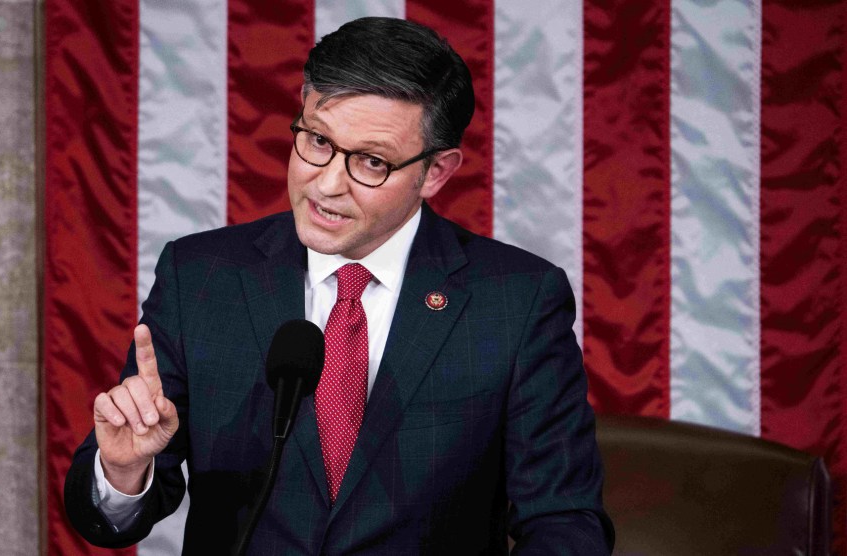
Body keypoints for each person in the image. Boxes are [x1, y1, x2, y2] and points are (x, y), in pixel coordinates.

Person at [64, 16, 614, 555]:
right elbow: (112, 515)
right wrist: (122, 468)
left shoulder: (517, 301)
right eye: (318, 141)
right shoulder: (202, 277)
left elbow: (564, 517)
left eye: (371, 161)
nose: (327, 184)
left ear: (437, 173)